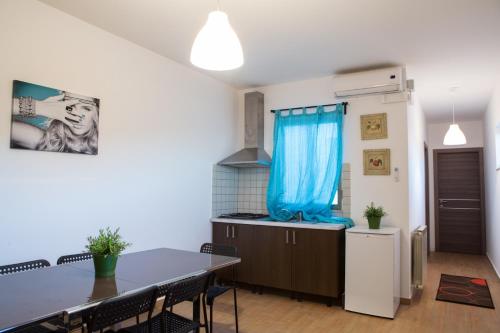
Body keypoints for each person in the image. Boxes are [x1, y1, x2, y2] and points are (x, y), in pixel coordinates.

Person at [11, 92, 99, 155]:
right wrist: (41, 107)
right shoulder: (44, 142)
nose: (77, 116)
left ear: (96, 113)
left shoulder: (106, 147)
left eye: (86, 108)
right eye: (70, 107)